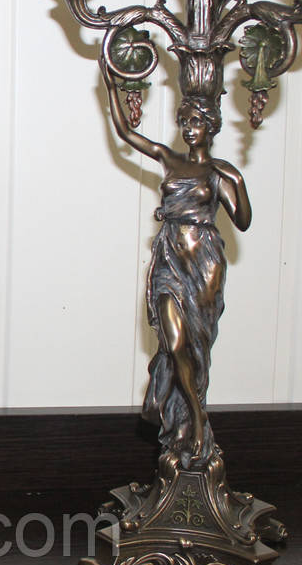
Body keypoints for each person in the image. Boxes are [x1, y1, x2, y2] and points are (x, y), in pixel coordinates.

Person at [101, 66, 251, 469]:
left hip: (203, 263)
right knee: (175, 342)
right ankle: (196, 420)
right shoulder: (169, 159)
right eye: (184, 121)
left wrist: (235, 180)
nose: (189, 128)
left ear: (211, 127)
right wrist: (111, 86)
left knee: (196, 348)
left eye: (196, 122)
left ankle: (194, 425)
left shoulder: (218, 173)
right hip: (169, 258)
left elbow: (242, 221)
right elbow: (126, 133)